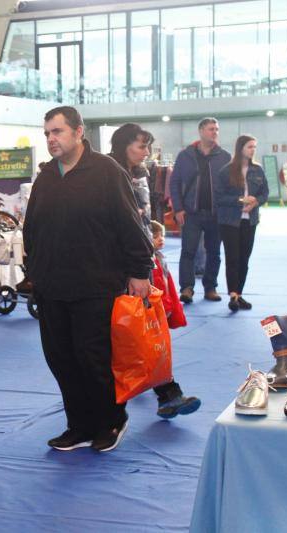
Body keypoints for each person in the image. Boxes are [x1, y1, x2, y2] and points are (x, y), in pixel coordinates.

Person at [24, 106, 153, 453]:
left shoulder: (106, 171)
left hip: (96, 284)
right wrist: (34, 271)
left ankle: (111, 420)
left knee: (92, 358)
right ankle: (78, 425)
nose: (51, 138)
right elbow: (32, 228)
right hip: (52, 286)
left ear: (79, 132)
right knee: (61, 359)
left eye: (58, 131)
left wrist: (140, 270)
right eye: (47, 132)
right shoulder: (47, 176)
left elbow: (130, 223)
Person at [110, 124, 201, 418]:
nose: (146, 152)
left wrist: (150, 254)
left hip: (142, 264)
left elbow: (143, 222)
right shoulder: (109, 174)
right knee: (127, 335)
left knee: (150, 331)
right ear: (124, 145)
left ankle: (167, 392)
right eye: (141, 146)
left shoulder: (140, 174)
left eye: (147, 146)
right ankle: (121, 403)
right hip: (118, 269)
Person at [170, 117, 231, 304]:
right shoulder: (185, 155)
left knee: (214, 253)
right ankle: (187, 288)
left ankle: (210, 288)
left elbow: (231, 185)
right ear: (201, 131)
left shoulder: (225, 156)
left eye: (217, 129)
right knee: (188, 251)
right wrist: (178, 208)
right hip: (191, 213)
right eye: (211, 129)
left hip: (216, 214)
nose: (215, 132)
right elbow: (175, 183)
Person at [149, 221, 202, 418]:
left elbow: (166, 285)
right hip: (139, 310)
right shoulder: (149, 259)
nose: (160, 239)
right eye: (155, 236)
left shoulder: (157, 258)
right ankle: (168, 396)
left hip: (152, 311)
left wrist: (170, 309)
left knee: (154, 354)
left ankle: (168, 397)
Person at [214, 135, 269, 312]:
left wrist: (255, 201)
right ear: (240, 149)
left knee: (244, 259)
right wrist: (240, 200)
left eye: (254, 146)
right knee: (233, 258)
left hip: (250, 221)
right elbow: (219, 197)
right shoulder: (226, 171)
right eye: (249, 147)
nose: (253, 150)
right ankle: (233, 296)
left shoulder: (258, 170)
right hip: (229, 221)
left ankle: (239, 293)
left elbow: (264, 193)